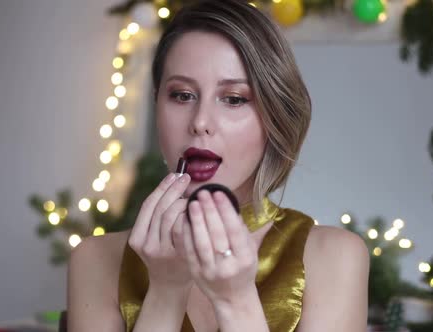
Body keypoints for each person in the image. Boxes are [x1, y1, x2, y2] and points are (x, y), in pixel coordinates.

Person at [67, 0, 369, 331]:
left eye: (234, 99)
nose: (200, 122)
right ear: (157, 103)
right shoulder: (95, 260)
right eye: (182, 95)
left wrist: (236, 300)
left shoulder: (335, 257)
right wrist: (166, 292)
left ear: (275, 116)